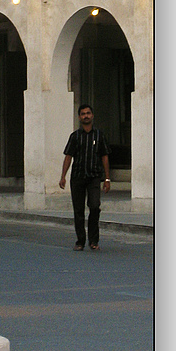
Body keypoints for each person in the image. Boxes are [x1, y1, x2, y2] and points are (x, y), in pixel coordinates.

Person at [59, 104, 111, 251]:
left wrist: (107, 179)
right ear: (79, 117)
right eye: (83, 114)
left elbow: (104, 156)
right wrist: (63, 176)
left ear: (92, 115)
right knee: (78, 210)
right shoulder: (75, 136)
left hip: (94, 177)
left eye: (88, 113)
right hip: (78, 177)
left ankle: (94, 240)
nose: (86, 116)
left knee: (94, 207)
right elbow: (68, 157)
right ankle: (80, 241)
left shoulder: (99, 135)